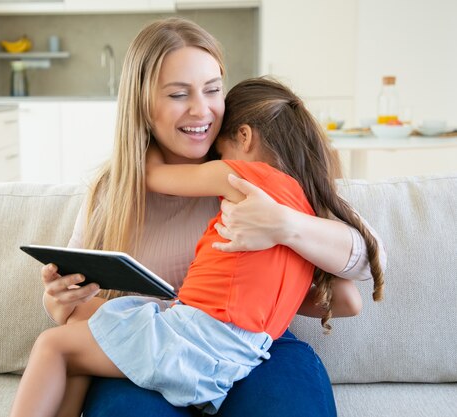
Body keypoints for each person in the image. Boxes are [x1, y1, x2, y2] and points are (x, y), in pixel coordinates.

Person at [35, 17, 386, 417]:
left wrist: (284, 225)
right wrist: (57, 300)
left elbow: (367, 259)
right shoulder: (112, 191)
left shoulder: (248, 173)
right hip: (156, 342)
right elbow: (78, 295)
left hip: (256, 346)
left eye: (213, 90)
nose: (201, 109)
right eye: (179, 94)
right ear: (143, 105)